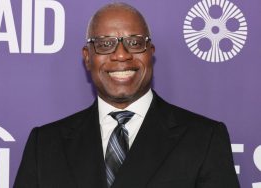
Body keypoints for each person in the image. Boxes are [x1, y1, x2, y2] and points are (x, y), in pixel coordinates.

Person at [14, 2, 240, 188]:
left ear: (150, 53)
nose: (121, 55)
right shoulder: (44, 144)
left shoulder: (204, 138)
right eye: (105, 44)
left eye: (134, 43)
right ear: (87, 57)